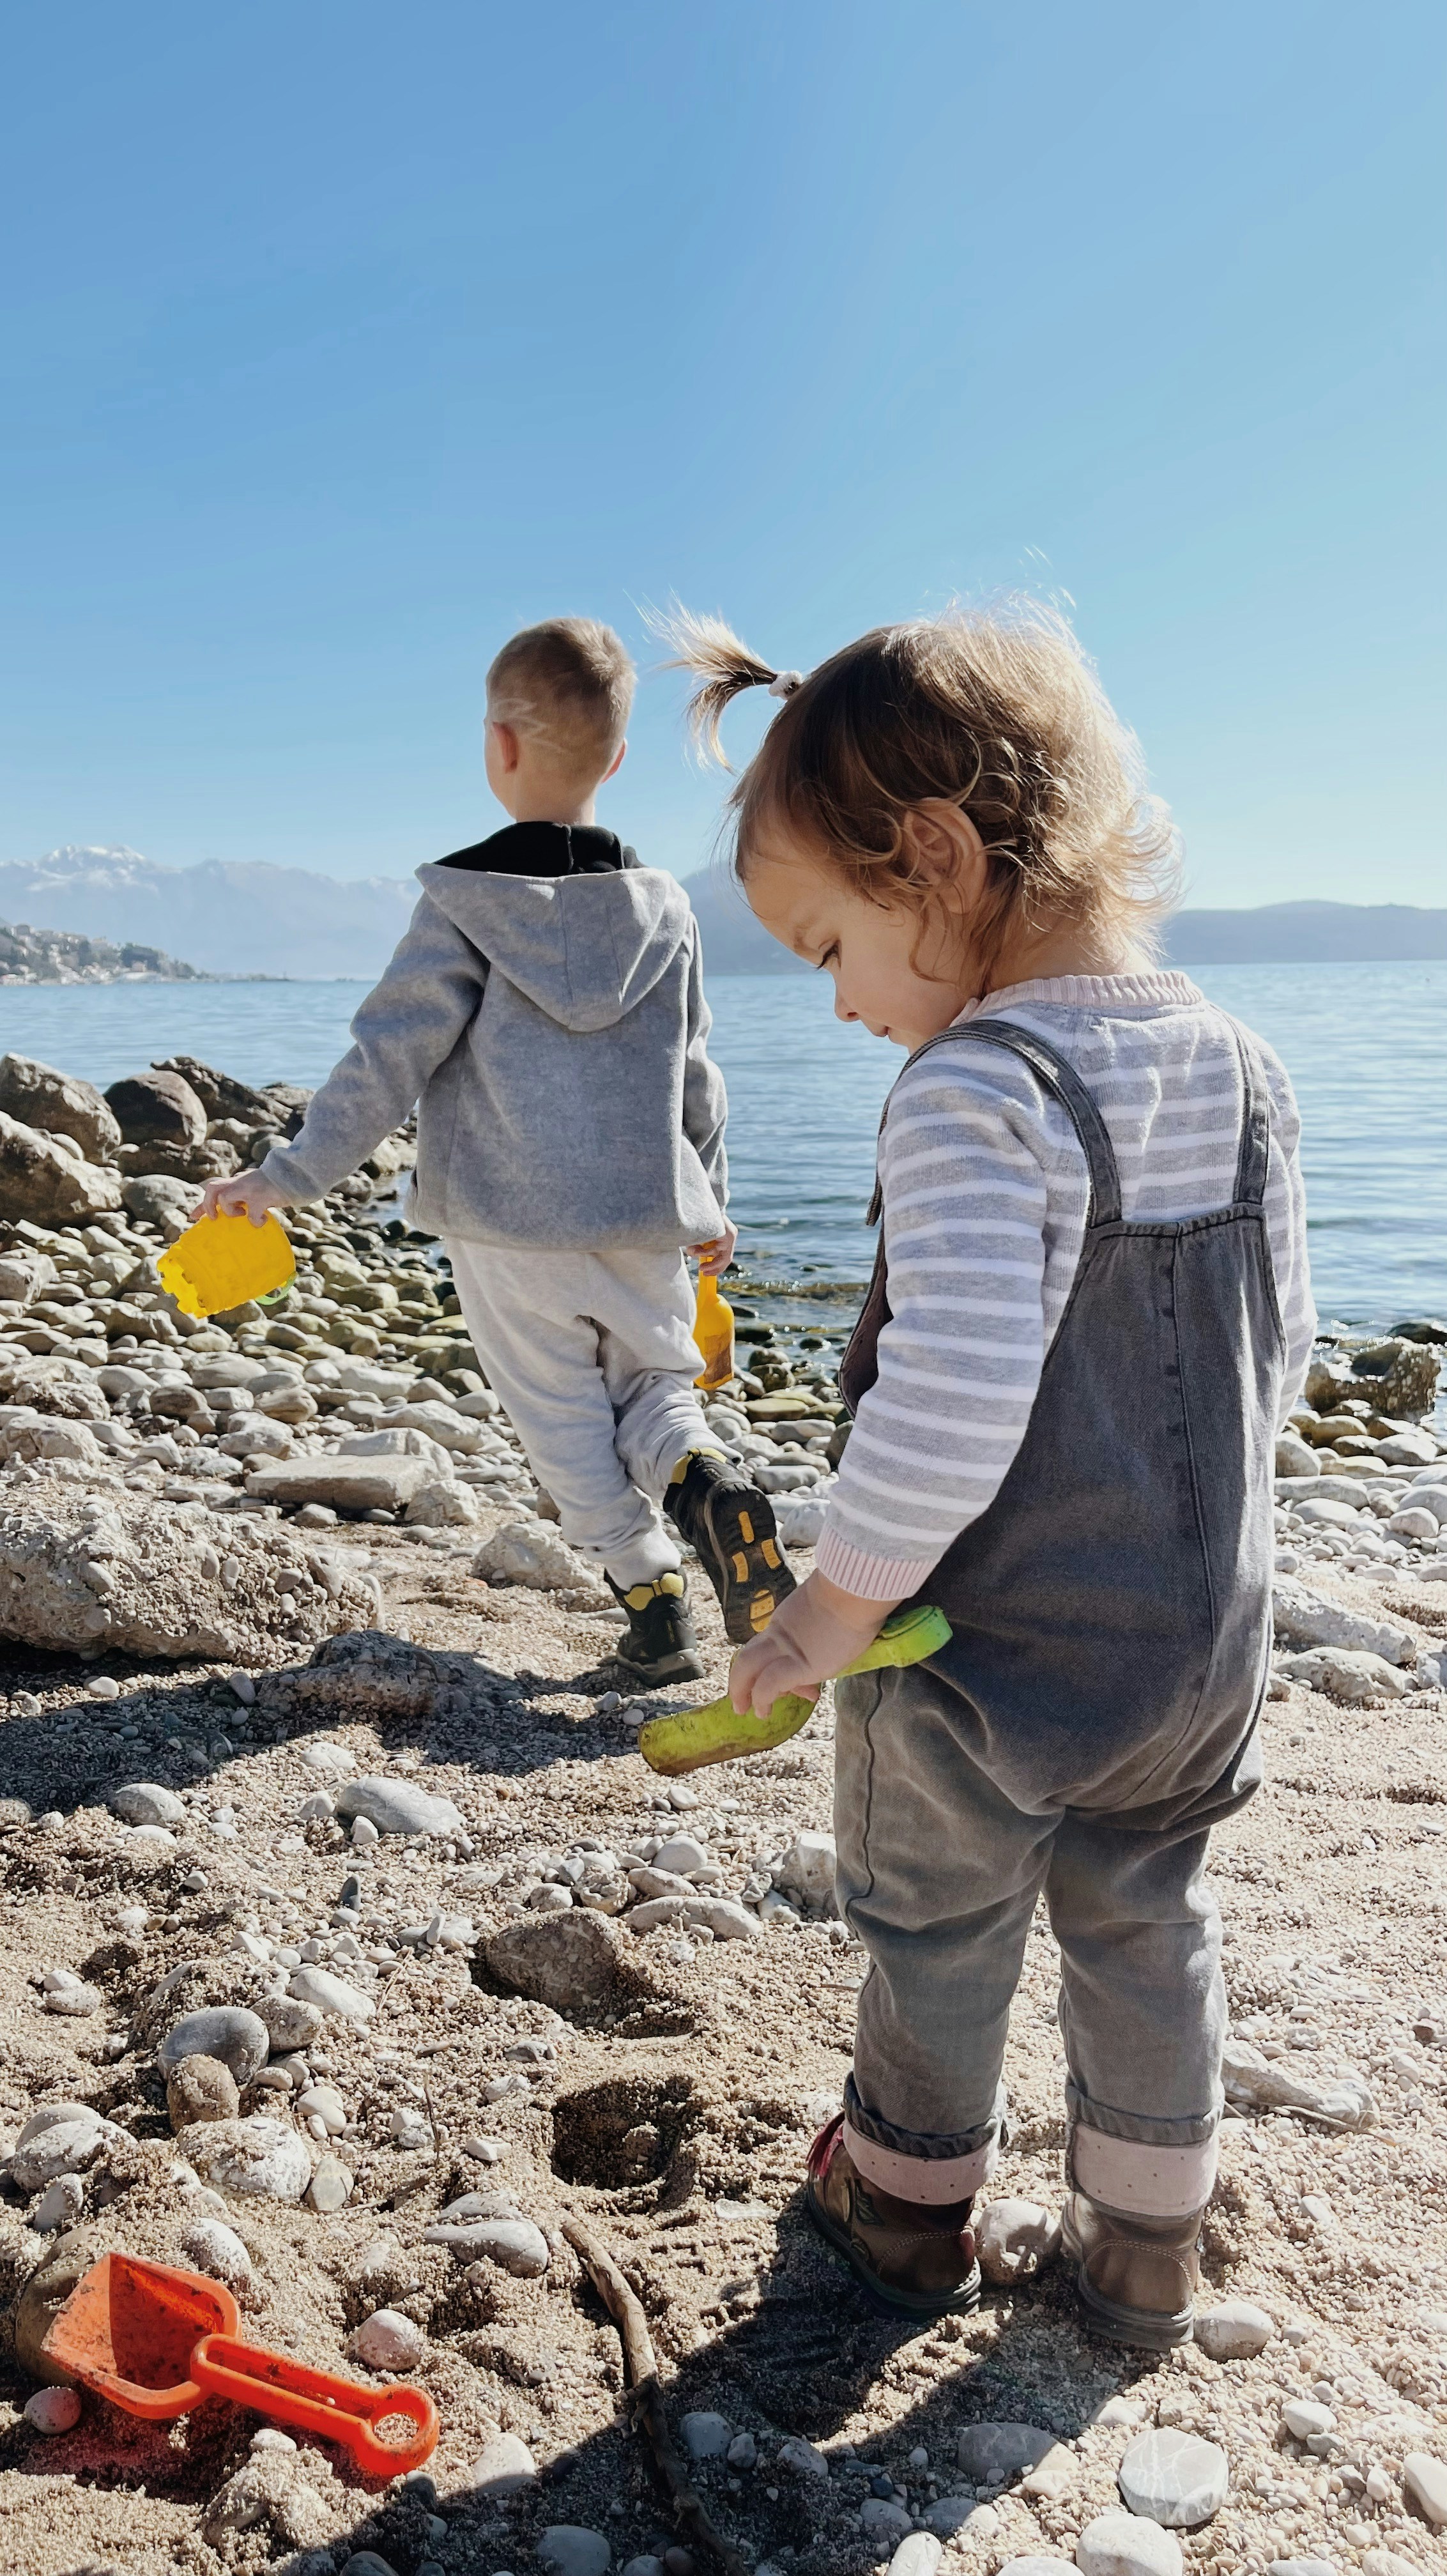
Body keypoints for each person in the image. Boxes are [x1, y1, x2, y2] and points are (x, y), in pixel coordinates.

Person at [664, 602, 1313, 2347]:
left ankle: (900, 2209)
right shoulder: (1242, 1068)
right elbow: (1278, 1354)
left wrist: (821, 1615)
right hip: (1191, 1652)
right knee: (1141, 1920)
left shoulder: (976, 1084)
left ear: (936, 859)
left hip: (976, 1658)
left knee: (940, 1929)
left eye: (827, 949)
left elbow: (947, 1406)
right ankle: (1141, 2246)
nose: (839, 1004)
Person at [203, 616, 795, 1685]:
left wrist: (286, 1178)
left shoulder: (460, 907)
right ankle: (708, 1487)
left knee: (561, 1418)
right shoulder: (666, 912)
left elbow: (386, 1063)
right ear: (615, 761)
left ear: (499, 748)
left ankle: (654, 1598)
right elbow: (699, 1073)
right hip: (648, 1215)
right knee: (659, 1388)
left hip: (508, 1228)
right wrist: (711, 1200)